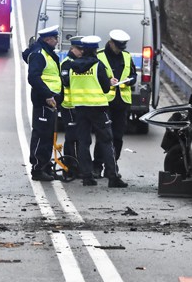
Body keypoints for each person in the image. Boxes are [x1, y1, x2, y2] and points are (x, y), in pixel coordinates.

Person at [62, 35, 128, 188]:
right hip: (98, 108)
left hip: (80, 108)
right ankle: (113, 177)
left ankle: (87, 177)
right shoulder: (98, 65)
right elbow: (105, 87)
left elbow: (69, 84)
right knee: (106, 141)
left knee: (83, 142)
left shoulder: (73, 66)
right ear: (96, 50)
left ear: (84, 49)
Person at [93, 29, 138, 177]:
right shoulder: (99, 55)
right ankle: (97, 165)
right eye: (117, 47)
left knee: (118, 136)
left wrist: (129, 80)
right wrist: (107, 81)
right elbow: (93, 77)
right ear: (111, 43)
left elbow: (133, 75)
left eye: (122, 47)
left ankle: (112, 165)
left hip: (122, 103)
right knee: (103, 135)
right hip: (104, 102)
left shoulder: (126, 56)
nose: (119, 50)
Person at [21, 25, 62, 181]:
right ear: (47, 39)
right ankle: (37, 169)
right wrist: (47, 95)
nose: (57, 41)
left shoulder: (47, 53)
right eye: (55, 38)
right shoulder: (39, 54)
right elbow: (33, 77)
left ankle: (45, 166)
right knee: (41, 135)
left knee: (47, 136)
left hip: (50, 101)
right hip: (44, 101)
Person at [59, 36, 85, 179]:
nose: (81, 52)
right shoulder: (67, 63)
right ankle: (69, 167)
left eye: (82, 49)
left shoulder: (81, 62)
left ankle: (80, 166)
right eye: (78, 49)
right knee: (71, 138)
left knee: (81, 138)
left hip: (81, 105)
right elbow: (66, 81)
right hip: (69, 106)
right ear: (71, 49)